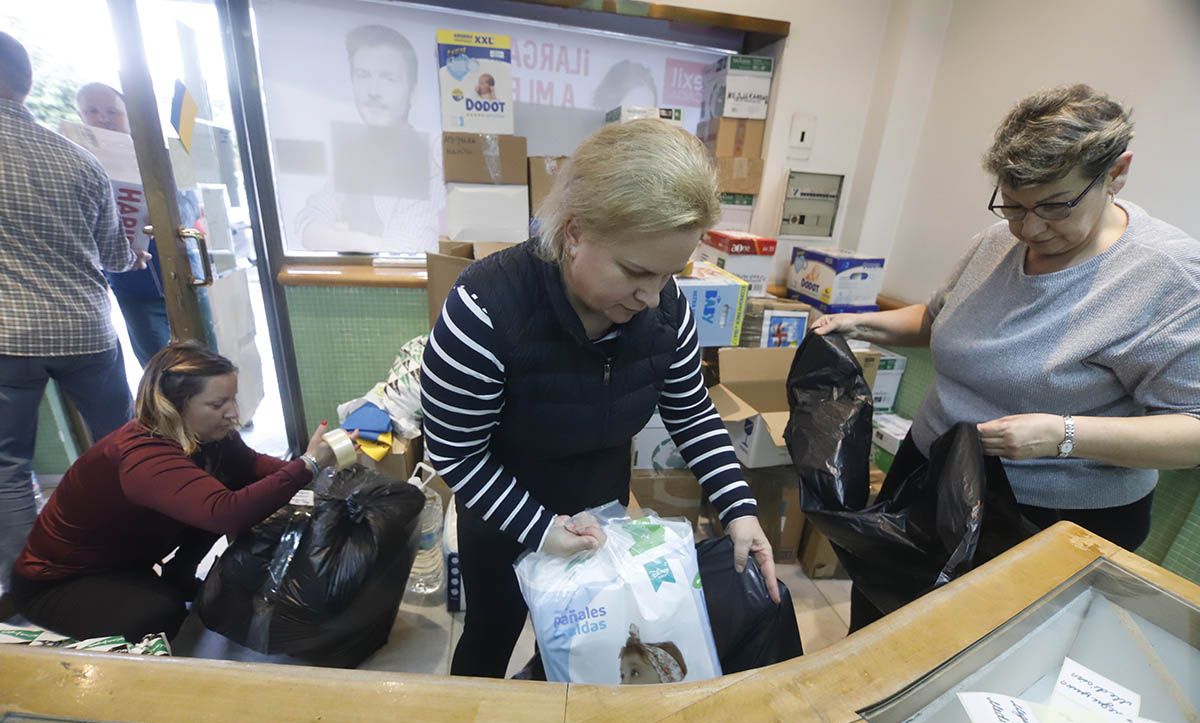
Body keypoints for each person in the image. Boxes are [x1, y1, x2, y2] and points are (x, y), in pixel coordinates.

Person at [811, 84, 1200, 631]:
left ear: (1116, 174)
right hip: (930, 476)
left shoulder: (1169, 276)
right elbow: (938, 319)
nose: (1030, 229)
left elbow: (1194, 428)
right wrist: (862, 323)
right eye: (1013, 205)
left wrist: (1063, 435)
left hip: (1047, 519)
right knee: (884, 621)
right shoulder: (998, 240)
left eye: (1055, 206)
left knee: (975, 656)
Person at [422, 119, 780, 679]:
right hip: (502, 512)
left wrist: (739, 508)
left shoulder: (665, 310)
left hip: (601, 508)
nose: (651, 295)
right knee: (490, 638)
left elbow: (691, 412)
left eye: (668, 274)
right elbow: (455, 453)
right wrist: (541, 530)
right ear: (573, 232)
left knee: (585, 647)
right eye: (636, 271)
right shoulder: (485, 310)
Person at [9, 342, 345, 642]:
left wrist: (327, 484)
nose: (232, 412)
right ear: (175, 406)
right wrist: (307, 466)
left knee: (230, 485)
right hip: (59, 583)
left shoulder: (211, 437)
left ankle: (178, 577)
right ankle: (167, 591)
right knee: (161, 613)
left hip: (128, 564)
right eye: (218, 403)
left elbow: (256, 469)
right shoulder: (142, 457)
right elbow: (225, 513)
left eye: (232, 398)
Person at [0, 34, 148, 609]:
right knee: (122, 445)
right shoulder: (77, 159)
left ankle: (23, 587)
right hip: (85, 326)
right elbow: (114, 256)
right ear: (28, 82)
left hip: (9, 334)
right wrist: (134, 253)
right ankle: (132, 553)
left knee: (9, 465)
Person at [296, 24, 440, 254]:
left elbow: (414, 247)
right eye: (363, 75)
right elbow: (308, 224)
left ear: (412, 91)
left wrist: (344, 237)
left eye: (388, 78)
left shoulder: (432, 157)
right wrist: (364, 242)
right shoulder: (354, 156)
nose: (373, 90)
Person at [75, 82, 172, 368]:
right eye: (91, 111)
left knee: (204, 362)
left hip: (182, 278)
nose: (102, 118)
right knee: (157, 367)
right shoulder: (76, 163)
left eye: (112, 111)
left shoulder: (158, 154)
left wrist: (168, 214)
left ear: (129, 115)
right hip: (132, 284)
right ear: (81, 116)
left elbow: (192, 202)